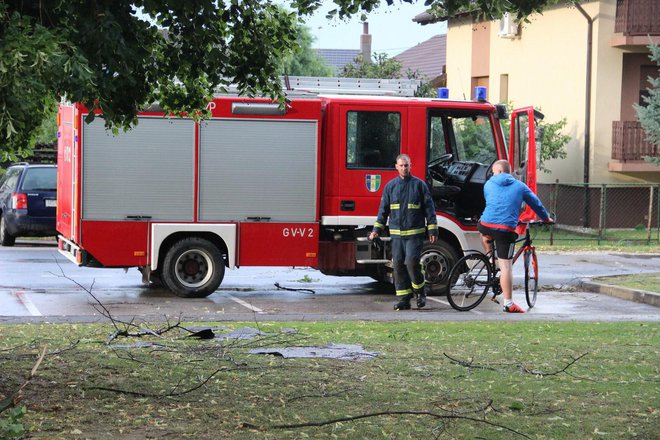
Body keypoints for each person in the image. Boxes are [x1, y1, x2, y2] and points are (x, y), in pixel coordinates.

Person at [478, 159, 552, 313]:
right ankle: (508, 303)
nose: (492, 174)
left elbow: (492, 202)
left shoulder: (488, 184)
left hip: (485, 224)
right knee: (507, 267)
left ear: (498, 171)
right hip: (505, 228)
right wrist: (545, 218)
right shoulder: (520, 186)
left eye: (493, 171)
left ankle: (490, 256)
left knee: (485, 233)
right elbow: (535, 203)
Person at [369, 154, 438, 310]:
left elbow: (429, 209)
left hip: (415, 233)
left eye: (406, 165)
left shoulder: (419, 185)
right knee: (398, 264)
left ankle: (420, 292)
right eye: (401, 166)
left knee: (411, 263)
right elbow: (383, 211)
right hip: (397, 235)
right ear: (396, 167)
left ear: (410, 166)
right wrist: (376, 231)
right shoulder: (390, 187)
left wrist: (432, 228)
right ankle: (404, 299)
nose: (404, 168)